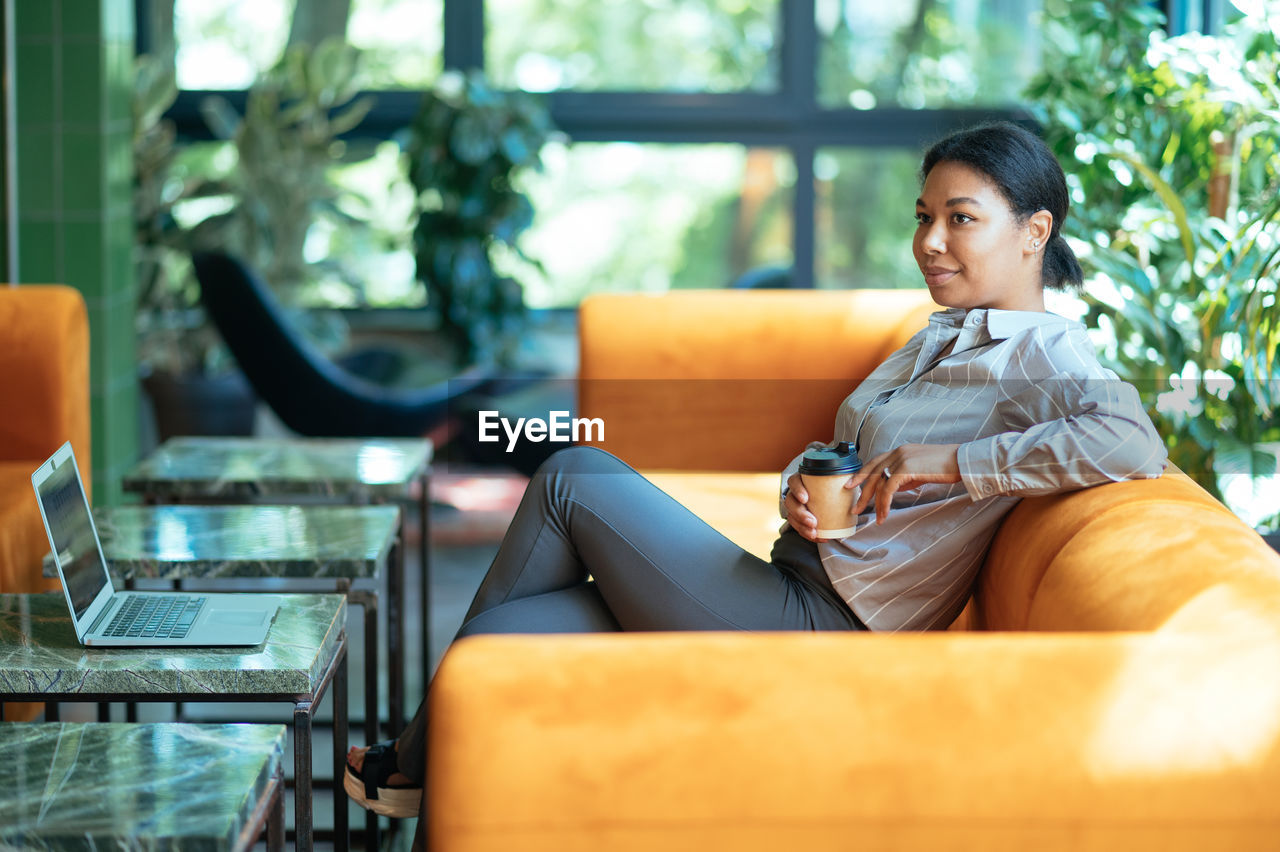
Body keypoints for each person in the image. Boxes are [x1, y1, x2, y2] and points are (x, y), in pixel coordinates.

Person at [344, 121, 1168, 818]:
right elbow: (850, 448)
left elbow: (1131, 442)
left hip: (827, 630)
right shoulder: (944, 331)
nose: (930, 242)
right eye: (923, 217)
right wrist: (797, 493)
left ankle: (409, 768)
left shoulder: (1045, 350)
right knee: (491, 646)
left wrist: (955, 461)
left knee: (572, 476)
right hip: (789, 575)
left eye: (962, 219)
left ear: (1035, 231)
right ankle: (425, 774)